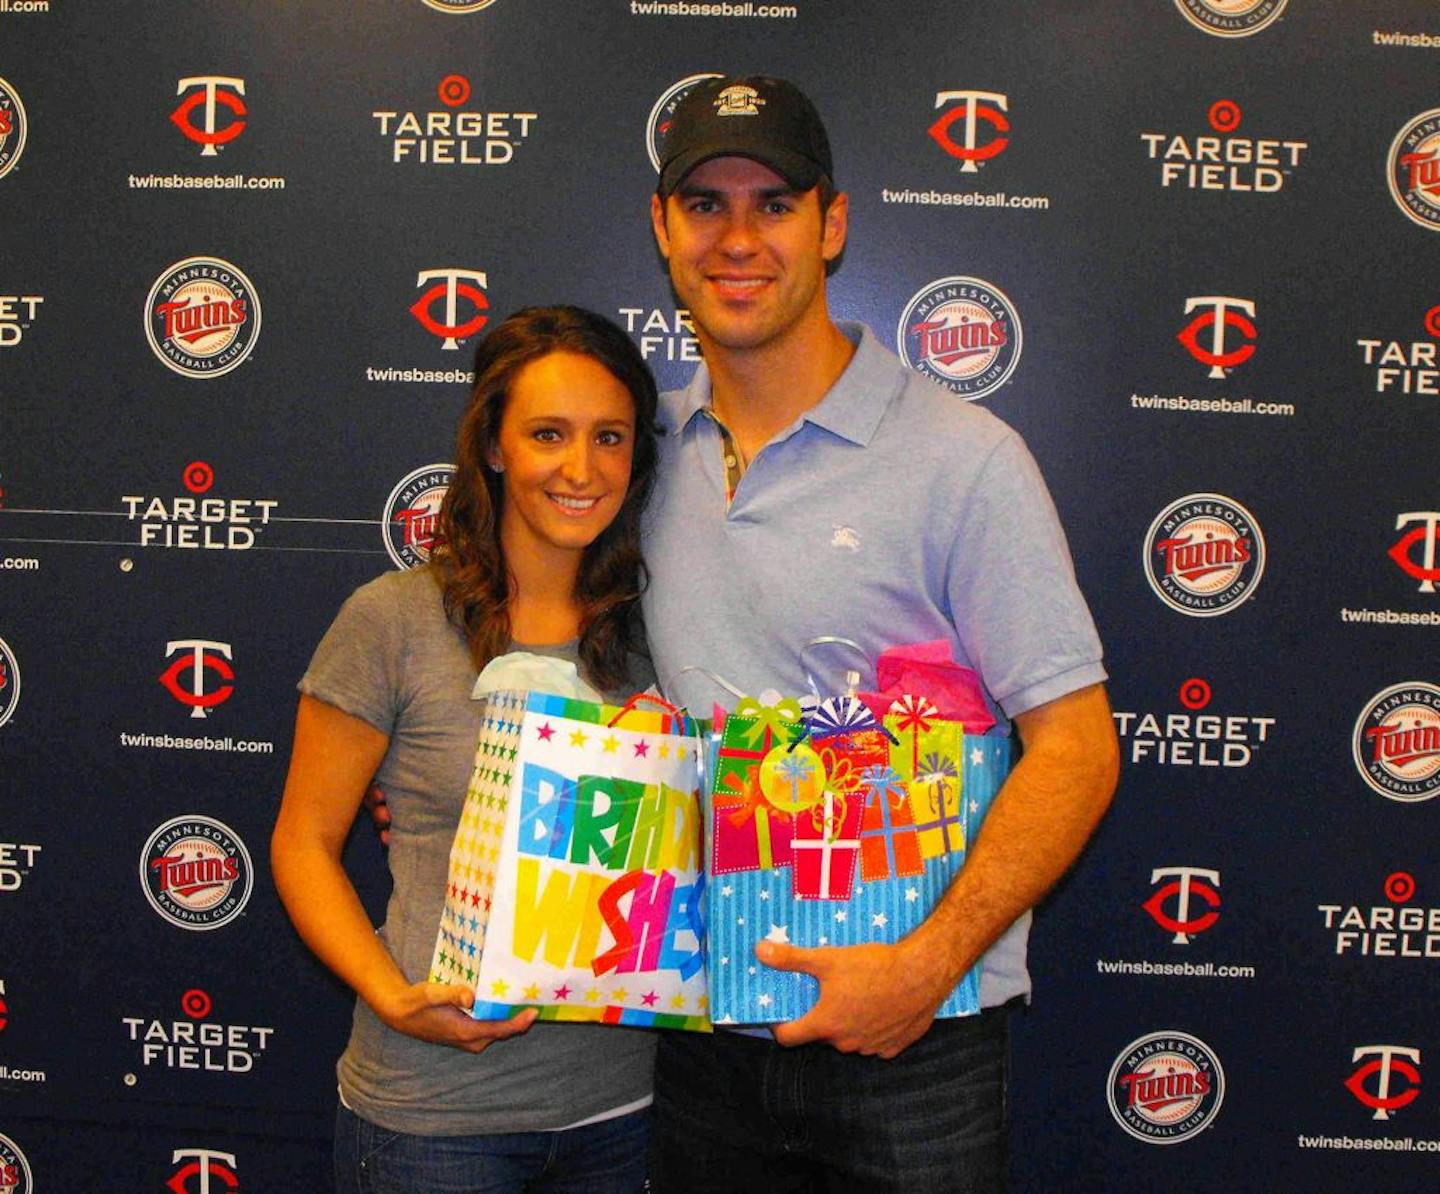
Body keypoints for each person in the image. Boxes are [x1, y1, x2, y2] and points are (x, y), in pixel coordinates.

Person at [640, 76, 1121, 1191]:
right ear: (663, 229)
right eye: (705, 203)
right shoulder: (633, 453)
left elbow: (1078, 746)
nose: (738, 237)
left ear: (833, 223)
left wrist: (927, 963)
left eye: (775, 203)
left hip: (918, 1047)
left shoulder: (966, 460)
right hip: (696, 1039)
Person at [271, 305, 660, 1193]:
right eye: (548, 434)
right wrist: (394, 995)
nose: (581, 468)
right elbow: (301, 842)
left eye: (610, 437)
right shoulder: (395, 620)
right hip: (433, 1120)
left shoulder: (659, 633)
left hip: (624, 1114)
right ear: (493, 448)